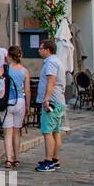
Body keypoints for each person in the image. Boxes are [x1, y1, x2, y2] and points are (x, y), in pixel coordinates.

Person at [35, 40, 67, 172]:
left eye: (40, 48)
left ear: (47, 50)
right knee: (56, 132)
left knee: (47, 132)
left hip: (52, 101)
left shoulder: (50, 62)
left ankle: (49, 161)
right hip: (59, 100)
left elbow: (51, 81)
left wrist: (46, 99)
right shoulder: (57, 61)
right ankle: (54, 159)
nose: (39, 50)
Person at [0, 46, 29, 168]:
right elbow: (27, 90)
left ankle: (9, 159)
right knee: (16, 132)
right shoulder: (24, 71)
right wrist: (28, 105)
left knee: (7, 133)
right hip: (20, 101)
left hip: (7, 102)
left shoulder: (4, 69)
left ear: (9, 56)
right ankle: (17, 158)